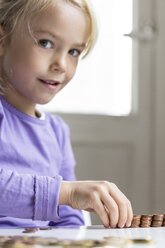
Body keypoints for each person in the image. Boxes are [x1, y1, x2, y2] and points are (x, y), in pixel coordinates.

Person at [0, 0, 133, 228]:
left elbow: (69, 214)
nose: (61, 64)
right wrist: (68, 192)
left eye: (73, 52)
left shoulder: (57, 132)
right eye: (46, 43)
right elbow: (68, 195)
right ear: (2, 39)